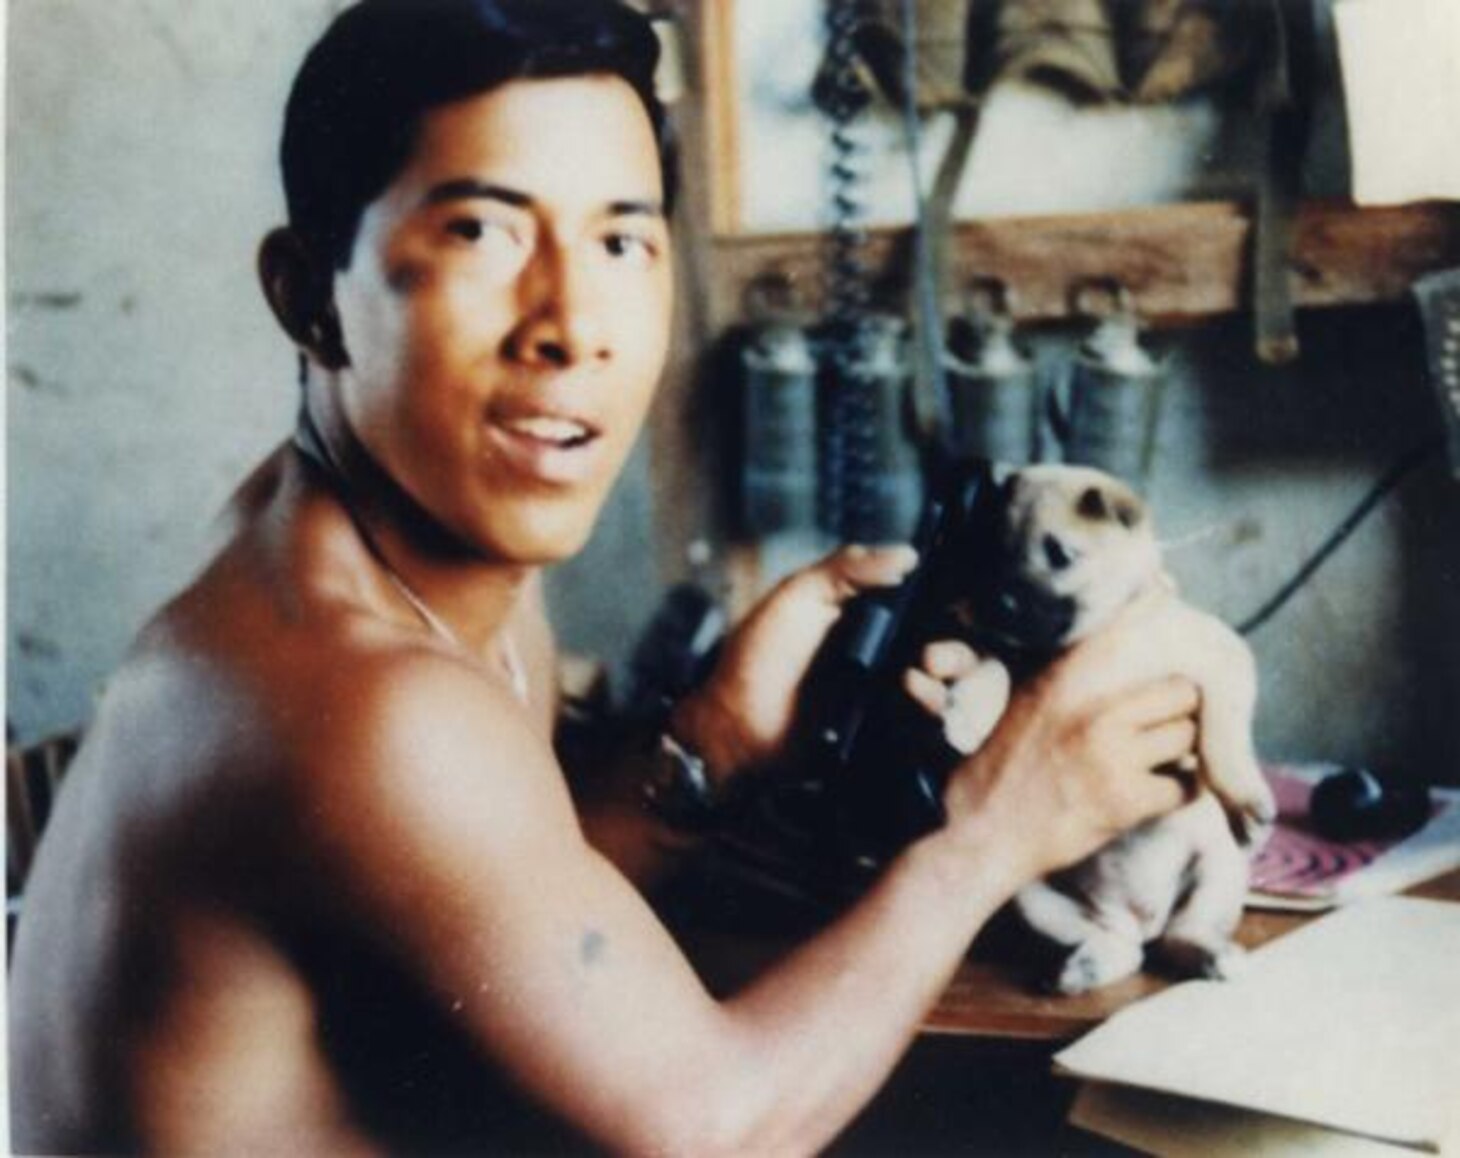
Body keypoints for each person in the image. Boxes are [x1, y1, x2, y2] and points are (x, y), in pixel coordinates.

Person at [8, 0, 1201, 1151]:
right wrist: (997, 829)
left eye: (621, 240)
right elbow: (714, 1131)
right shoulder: (355, 691)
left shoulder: (396, 546)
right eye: (480, 231)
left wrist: (712, 745)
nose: (571, 325)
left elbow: (480, 894)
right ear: (309, 296)